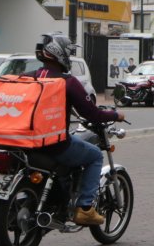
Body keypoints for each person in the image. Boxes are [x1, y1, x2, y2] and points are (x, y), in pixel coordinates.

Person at [34, 33, 124, 227]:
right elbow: (93, 114)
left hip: (26, 143)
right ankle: (84, 209)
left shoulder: (29, 78)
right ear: (60, 54)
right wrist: (116, 115)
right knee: (94, 156)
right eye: (69, 52)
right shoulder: (68, 82)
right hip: (54, 144)